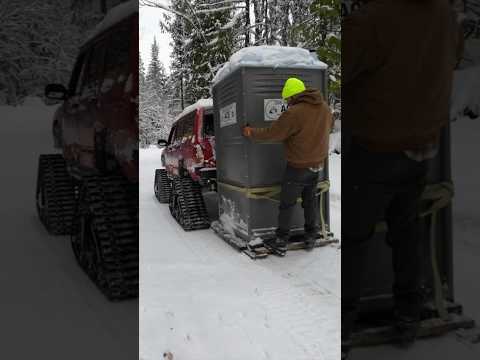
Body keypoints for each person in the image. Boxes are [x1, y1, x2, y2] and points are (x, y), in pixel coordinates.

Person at [342, 0, 464, 357]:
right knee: (407, 232)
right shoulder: (444, 14)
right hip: (422, 147)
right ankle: (409, 315)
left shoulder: (375, 19)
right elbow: (451, 58)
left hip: (375, 148)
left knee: (352, 238)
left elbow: (344, 66)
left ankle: (344, 325)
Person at [242, 77, 333, 253]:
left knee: (287, 204)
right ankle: (310, 237)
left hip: (297, 168)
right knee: (310, 202)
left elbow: (272, 134)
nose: (287, 103)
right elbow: (328, 128)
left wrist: (250, 132)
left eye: (287, 99)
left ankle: (281, 241)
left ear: (292, 96)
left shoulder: (294, 113)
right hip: (317, 166)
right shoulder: (325, 108)